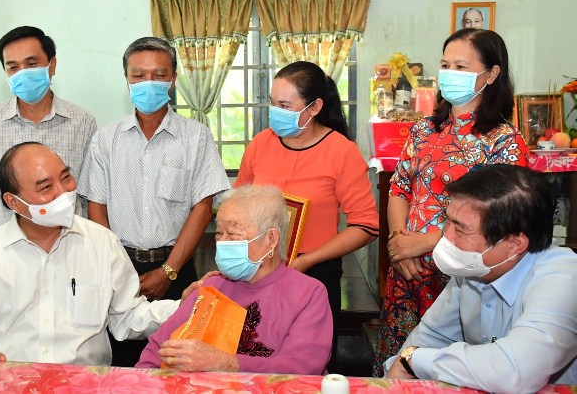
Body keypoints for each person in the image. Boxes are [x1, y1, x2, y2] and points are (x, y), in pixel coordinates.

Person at [373, 28, 529, 375]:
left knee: (450, 372)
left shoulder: (504, 141)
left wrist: (424, 243)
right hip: (407, 272)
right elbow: (399, 189)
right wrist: (399, 244)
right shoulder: (422, 130)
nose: (450, 74)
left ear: (491, 74)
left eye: (461, 66)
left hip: (465, 279)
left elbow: (502, 218)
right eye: (445, 65)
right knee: (397, 369)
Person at [0, 142, 178, 365]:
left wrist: (187, 306)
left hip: (86, 381)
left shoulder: (102, 243)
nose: (63, 192)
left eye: (66, 177)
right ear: (13, 202)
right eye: (46, 187)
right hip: (12, 381)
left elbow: (128, 317)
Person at [77, 37, 230, 366]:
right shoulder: (106, 139)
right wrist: (118, 270)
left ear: (173, 79)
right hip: (119, 267)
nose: (149, 83)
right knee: (123, 365)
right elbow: (96, 207)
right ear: (127, 79)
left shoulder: (196, 137)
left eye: (159, 75)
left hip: (178, 266)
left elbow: (202, 208)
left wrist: (168, 271)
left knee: (179, 362)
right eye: (138, 75)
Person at [384, 164, 577, 392]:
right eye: (447, 222)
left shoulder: (564, 280)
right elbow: (431, 336)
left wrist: (415, 359)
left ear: (515, 244)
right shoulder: (476, 269)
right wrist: (403, 365)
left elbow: (513, 370)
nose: (446, 237)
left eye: (460, 230)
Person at [233, 60, 378, 362]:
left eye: (285, 105)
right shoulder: (260, 144)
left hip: (314, 272)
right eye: (272, 103)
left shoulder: (341, 151)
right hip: (257, 270)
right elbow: (238, 205)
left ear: (314, 108)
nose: (275, 111)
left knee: (307, 362)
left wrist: (307, 261)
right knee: (253, 357)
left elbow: (365, 227)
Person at [137, 185, 332, 374]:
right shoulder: (211, 287)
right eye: (219, 233)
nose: (222, 243)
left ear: (271, 239)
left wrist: (225, 363)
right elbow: (153, 356)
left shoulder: (308, 294)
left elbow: (302, 367)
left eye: (232, 234)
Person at [0, 26, 97, 247]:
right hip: (4, 247)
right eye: (13, 67)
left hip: (68, 245)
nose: (22, 73)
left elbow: (88, 195)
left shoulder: (82, 121)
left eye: (31, 64)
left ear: (52, 65)